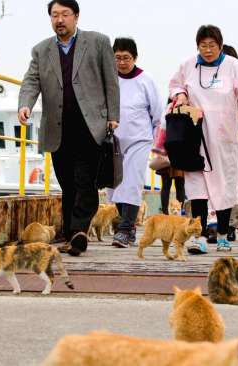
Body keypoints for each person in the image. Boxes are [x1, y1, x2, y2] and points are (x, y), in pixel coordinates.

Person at [18, 0, 120, 256]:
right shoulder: (41, 50)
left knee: (84, 180)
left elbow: (111, 81)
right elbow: (31, 81)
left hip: (90, 124)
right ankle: (70, 233)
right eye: (54, 15)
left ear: (76, 17)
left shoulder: (97, 42)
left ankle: (78, 233)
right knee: (67, 184)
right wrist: (25, 105)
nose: (59, 19)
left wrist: (113, 115)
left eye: (65, 14)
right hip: (58, 127)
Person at [169, 25, 238, 253]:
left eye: (212, 45)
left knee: (224, 188)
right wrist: (180, 95)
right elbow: (175, 85)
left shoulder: (233, 66)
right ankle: (199, 238)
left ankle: (222, 235)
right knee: (197, 188)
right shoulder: (188, 65)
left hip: (222, 138)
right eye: (203, 45)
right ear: (197, 46)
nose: (208, 50)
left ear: (220, 45)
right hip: (194, 135)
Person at [105, 37, 162, 248]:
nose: (121, 62)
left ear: (135, 58)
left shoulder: (146, 80)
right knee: (114, 185)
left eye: (126, 58)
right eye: (117, 58)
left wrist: (158, 143)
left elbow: (157, 113)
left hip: (140, 139)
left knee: (131, 183)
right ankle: (128, 228)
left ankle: (125, 228)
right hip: (114, 140)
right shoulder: (109, 79)